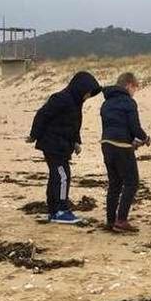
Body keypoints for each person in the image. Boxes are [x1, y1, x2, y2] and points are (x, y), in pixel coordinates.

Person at [27, 71, 101, 223]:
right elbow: (42, 115)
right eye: (87, 93)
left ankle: (54, 210)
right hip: (52, 145)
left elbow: (73, 125)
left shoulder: (76, 102)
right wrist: (34, 135)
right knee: (62, 176)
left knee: (57, 176)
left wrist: (76, 142)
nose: (88, 97)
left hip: (62, 146)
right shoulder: (61, 98)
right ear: (80, 88)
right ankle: (61, 210)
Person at [99, 72, 151, 231]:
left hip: (106, 144)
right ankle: (121, 220)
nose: (135, 91)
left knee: (115, 183)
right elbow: (134, 128)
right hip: (121, 146)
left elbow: (114, 127)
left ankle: (110, 220)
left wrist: (131, 141)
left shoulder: (106, 104)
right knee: (132, 182)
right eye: (135, 87)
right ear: (128, 85)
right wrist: (145, 138)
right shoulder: (129, 102)